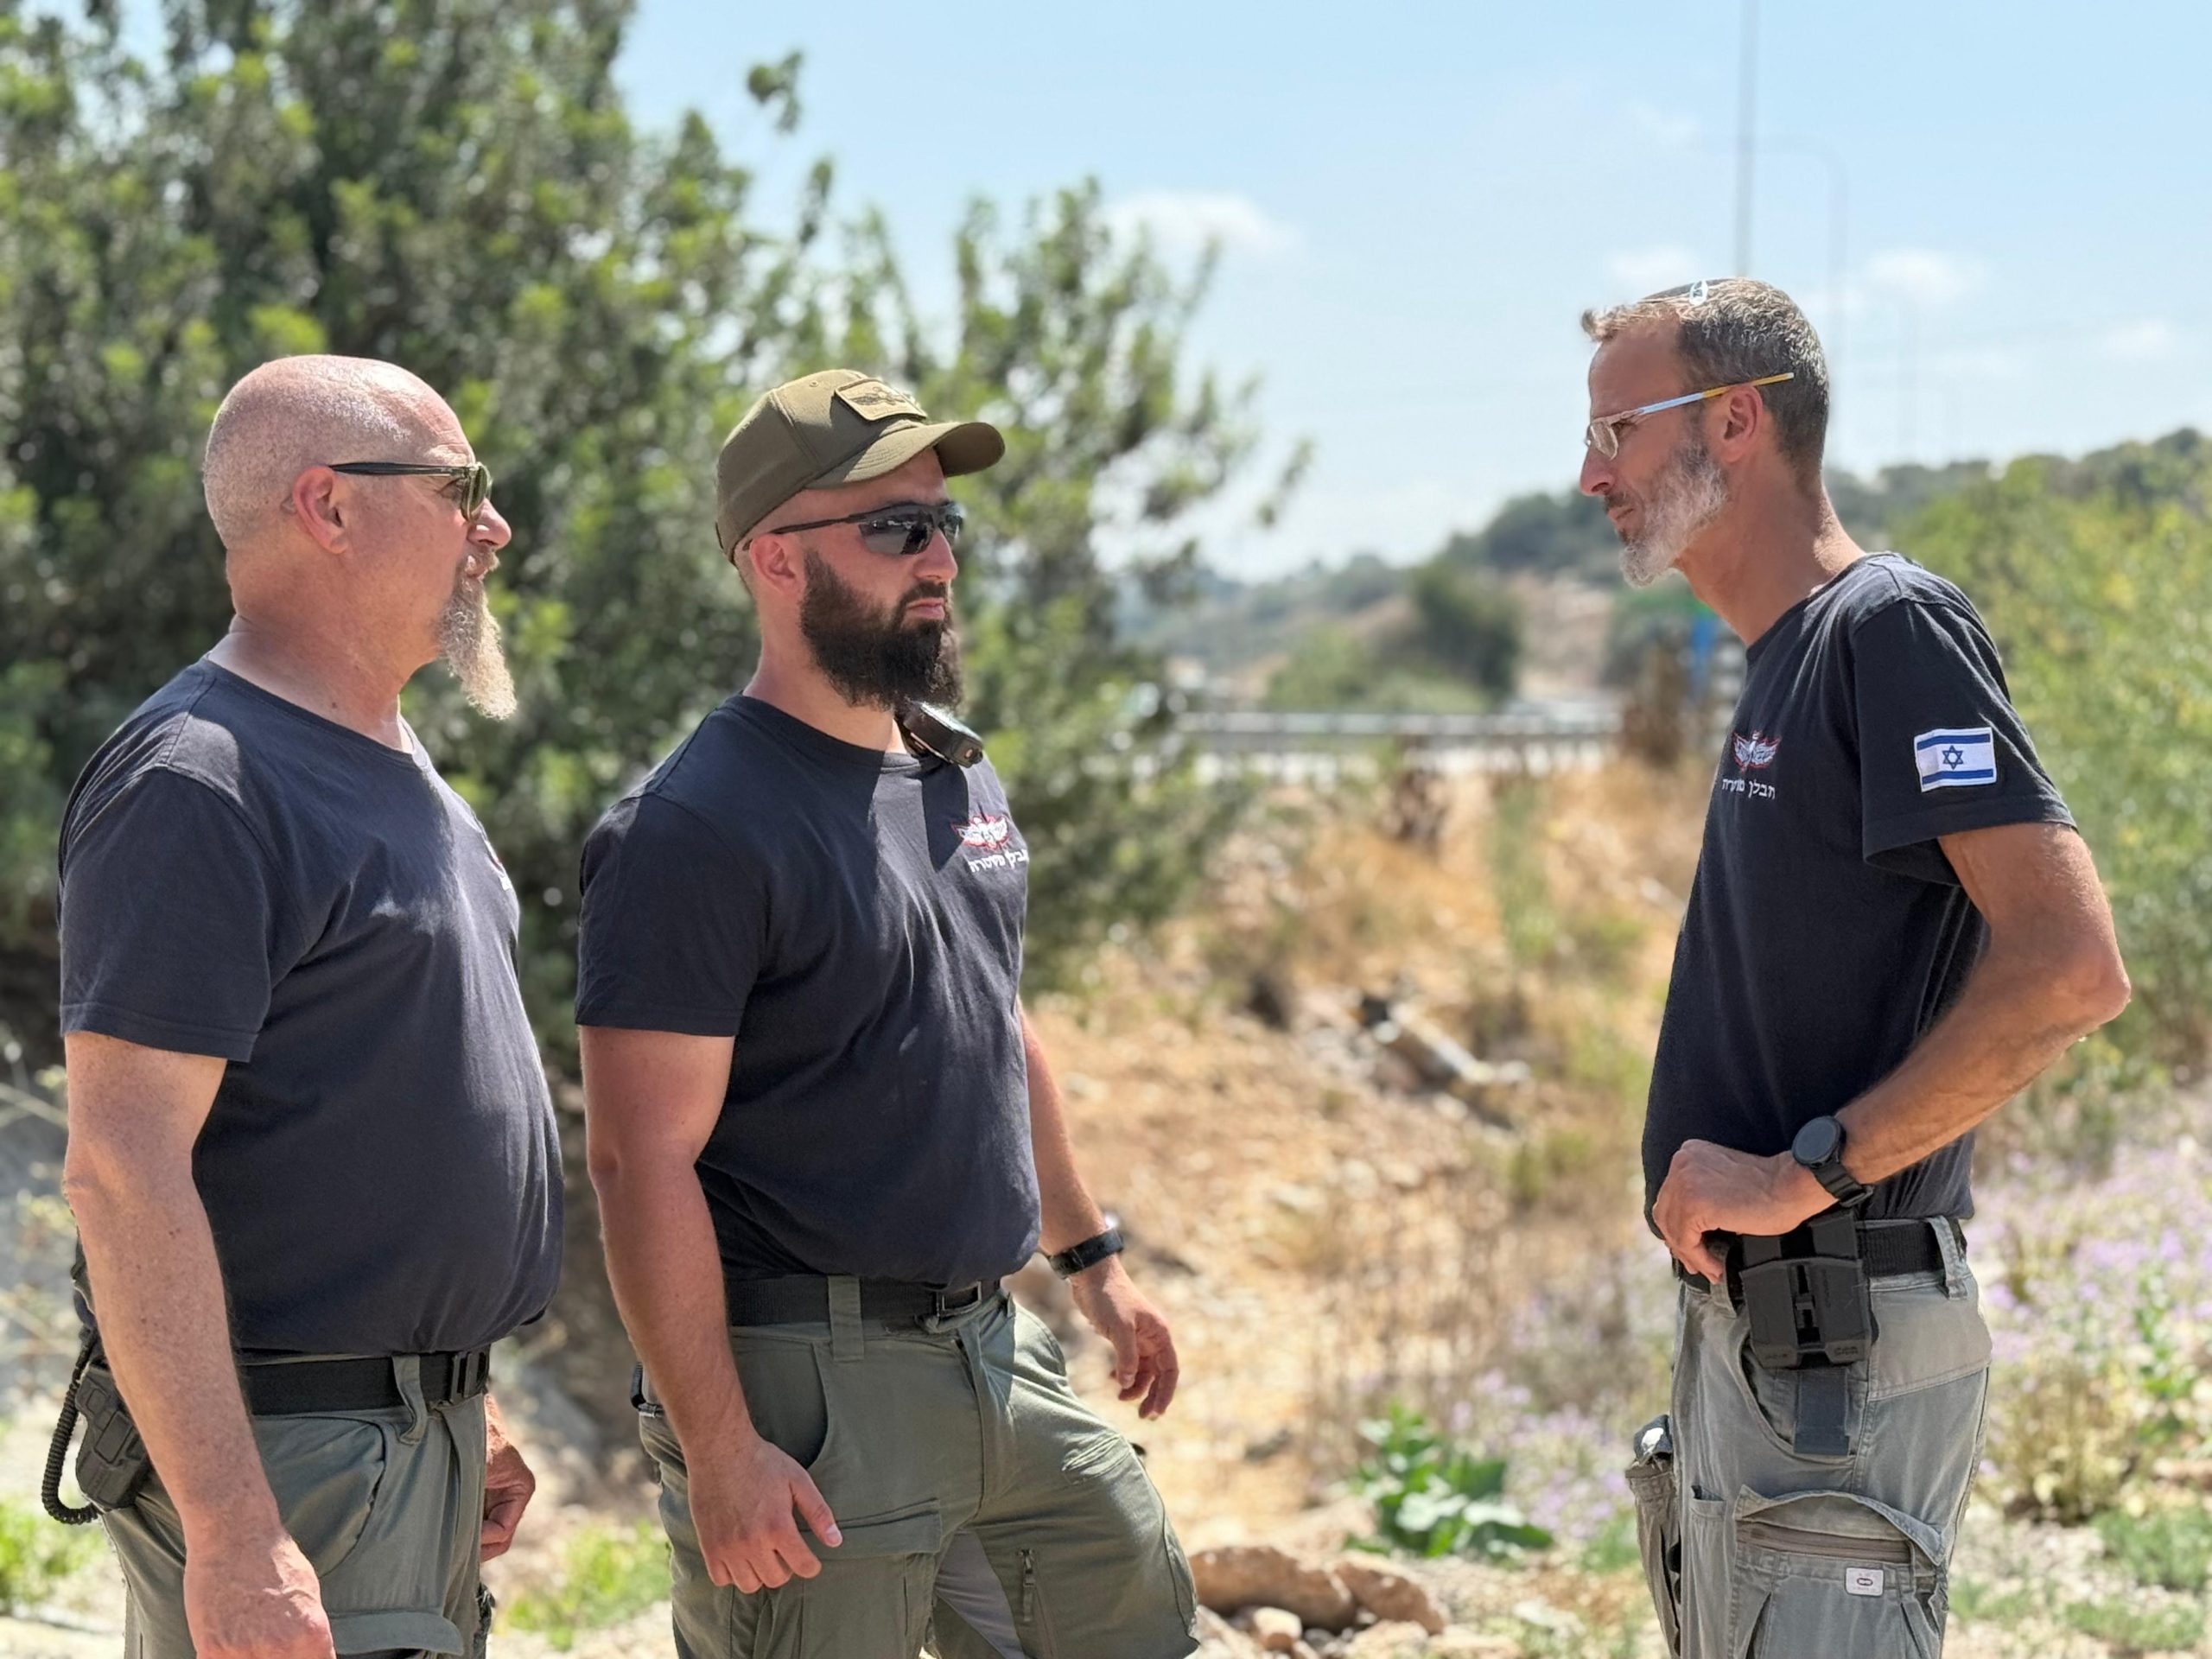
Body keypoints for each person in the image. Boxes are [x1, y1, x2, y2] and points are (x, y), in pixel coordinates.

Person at [576, 369, 1200, 1659]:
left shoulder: (951, 769)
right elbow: (639, 1161)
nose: (940, 562)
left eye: (944, 524)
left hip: (996, 1349)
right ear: (773, 558)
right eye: (896, 528)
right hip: (813, 1389)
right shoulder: (692, 827)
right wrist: (720, 1451)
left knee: (1138, 1621)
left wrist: (1093, 1263)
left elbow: (994, 1021)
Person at [1577, 279, 2130, 1657]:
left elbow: (2070, 970)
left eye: (1617, 431)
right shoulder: (1784, 658)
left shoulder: (1887, 627)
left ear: (1736, 420)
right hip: (1775, 1337)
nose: (1591, 475)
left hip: (1842, 1332)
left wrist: (1803, 1174)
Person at [56, 355, 562, 1659]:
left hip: (401, 1447)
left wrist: (457, 1399)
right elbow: (122, 1173)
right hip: (290, 1464)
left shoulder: (400, 768)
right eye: (461, 489)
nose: (494, 528)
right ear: (329, 507)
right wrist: (233, 1531)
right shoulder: (200, 782)